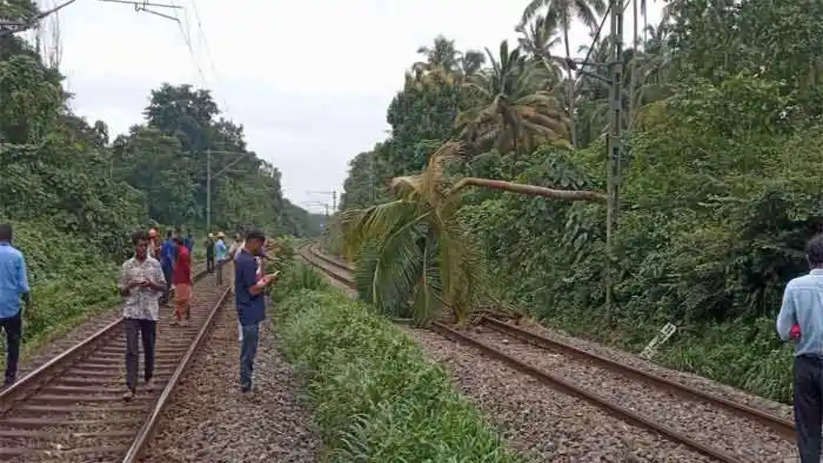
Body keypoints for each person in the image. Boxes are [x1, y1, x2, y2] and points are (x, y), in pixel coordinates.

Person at [777, 234, 823, 462]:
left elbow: (784, 331)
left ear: (808, 259)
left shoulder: (795, 287)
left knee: (809, 428)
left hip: (807, 364)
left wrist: (798, 329)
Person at [118, 230, 166, 401]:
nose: (143, 248)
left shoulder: (155, 264)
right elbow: (121, 291)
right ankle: (130, 386)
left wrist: (151, 284)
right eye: (140, 245)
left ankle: (149, 377)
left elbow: (163, 287)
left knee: (149, 346)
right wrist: (130, 285)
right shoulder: (127, 266)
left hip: (149, 311)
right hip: (131, 311)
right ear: (134, 246)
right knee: (131, 348)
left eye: (146, 245)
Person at [234, 229, 276, 393]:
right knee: (248, 349)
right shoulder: (247, 261)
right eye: (260, 244)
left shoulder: (246, 258)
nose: (262, 248)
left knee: (249, 347)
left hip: (248, 309)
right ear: (252, 242)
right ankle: (246, 383)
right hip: (249, 310)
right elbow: (252, 289)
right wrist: (267, 281)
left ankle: (247, 380)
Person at [0, 224, 30, 388]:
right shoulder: (17, 255)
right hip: (11, 307)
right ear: (11, 237)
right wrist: (28, 299)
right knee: (13, 341)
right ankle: (10, 377)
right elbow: (22, 285)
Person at [172, 236, 193, 326]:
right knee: (180, 298)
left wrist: (189, 278)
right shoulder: (182, 251)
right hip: (180, 278)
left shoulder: (182, 253)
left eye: (174, 243)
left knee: (182, 299)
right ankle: (179, 318)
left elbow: (186, 268)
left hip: (182, 279)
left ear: (177, 243)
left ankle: (183, 319)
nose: (173, 245)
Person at [159, 230, 177, 305]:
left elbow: (161, 254)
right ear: (171, 235)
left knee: (163, 281)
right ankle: (166, 299)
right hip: (168, 265)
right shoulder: (171, 244)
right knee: (168, 282)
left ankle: (162, 297)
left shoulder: (164, 243)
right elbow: (170, 256)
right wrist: (173, 265)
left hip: (163, 264)